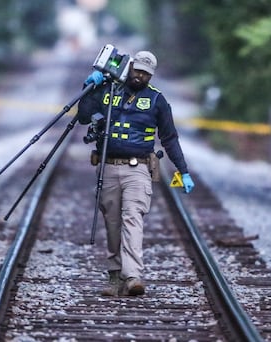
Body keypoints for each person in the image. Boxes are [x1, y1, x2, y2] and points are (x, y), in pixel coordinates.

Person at [78, 49, 195, 297]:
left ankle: (132, 276)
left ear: (151, 75)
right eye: (137, 70)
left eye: (146, 73)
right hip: (108, 166)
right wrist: (90, 85)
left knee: (133, 218)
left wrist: (183, 171)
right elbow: (83, 116)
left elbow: (170, 138)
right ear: (129, 67)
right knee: (112, 223)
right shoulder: (109, 90)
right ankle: (113, 276)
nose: (140, 76)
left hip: (138, 169)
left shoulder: (157, 100)